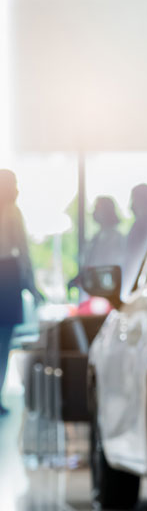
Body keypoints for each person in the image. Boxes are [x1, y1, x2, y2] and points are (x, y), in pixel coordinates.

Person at [0, 169, 42, 415]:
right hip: (6, 278)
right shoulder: (13, 213)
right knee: (3, 343)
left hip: (7, 277)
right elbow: (23, 253)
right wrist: (33, 287)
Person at [69, 196, 125, 291]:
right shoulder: (97, 236)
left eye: (97, 208)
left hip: (101, 290)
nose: (94, 213)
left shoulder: (114, 238)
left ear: (106, 211)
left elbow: (105, 267)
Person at [123, 184, 147, 292]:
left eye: (133, 200)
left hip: (142, 288)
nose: (131, 206)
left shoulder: (146, 226)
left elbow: (133, 264)